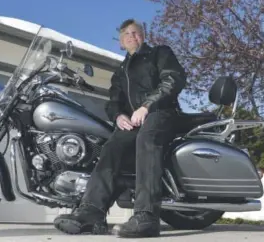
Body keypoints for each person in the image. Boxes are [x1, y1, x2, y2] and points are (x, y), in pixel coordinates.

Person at [53, 18, 187, 238]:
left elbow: (173, 79)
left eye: (137, 32)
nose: (133, 36)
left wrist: (147, 105)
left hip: (162, 113)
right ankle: (92, 212)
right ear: (120, 43)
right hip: (136, 121)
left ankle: (147, 216)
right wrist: (118, 116)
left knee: (147, 137)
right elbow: (113, 101)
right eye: (128, 34)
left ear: (143, 36)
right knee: (112, 146)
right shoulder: (120, 72)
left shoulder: (159, 54)